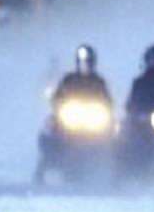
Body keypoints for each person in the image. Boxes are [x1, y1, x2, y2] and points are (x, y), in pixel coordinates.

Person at [36, 44, 112, 184]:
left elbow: (107, 101)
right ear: (77, 62)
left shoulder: (99, 81)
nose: (85, 66)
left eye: (88, 62)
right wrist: (59, 105)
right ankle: (44, 166)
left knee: (111, 134)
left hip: (92, 122)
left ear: (93, 63)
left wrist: (104, 110)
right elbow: (57, 97)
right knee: (50, 129)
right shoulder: (69, 79)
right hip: (70, 120)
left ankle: (112, 171)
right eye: (82, 62)